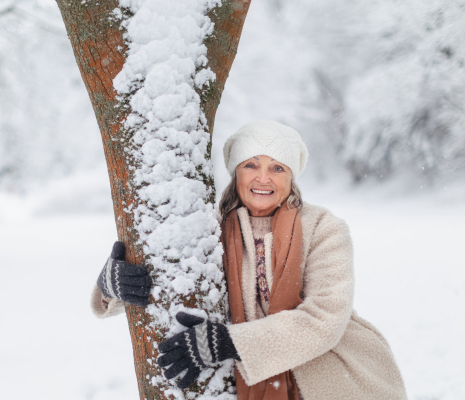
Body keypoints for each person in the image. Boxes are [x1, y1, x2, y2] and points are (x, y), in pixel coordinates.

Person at [90, 120, 408, 400]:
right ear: (235, 171)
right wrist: (112, 284)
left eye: (277, 167)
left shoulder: (324, 227)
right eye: (251, 165)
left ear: (291, 177)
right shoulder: (207, 227)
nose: (264, 178)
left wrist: (227, 342)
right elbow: (166, 280)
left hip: (337, 376)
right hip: (247, 382)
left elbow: (323, 320)